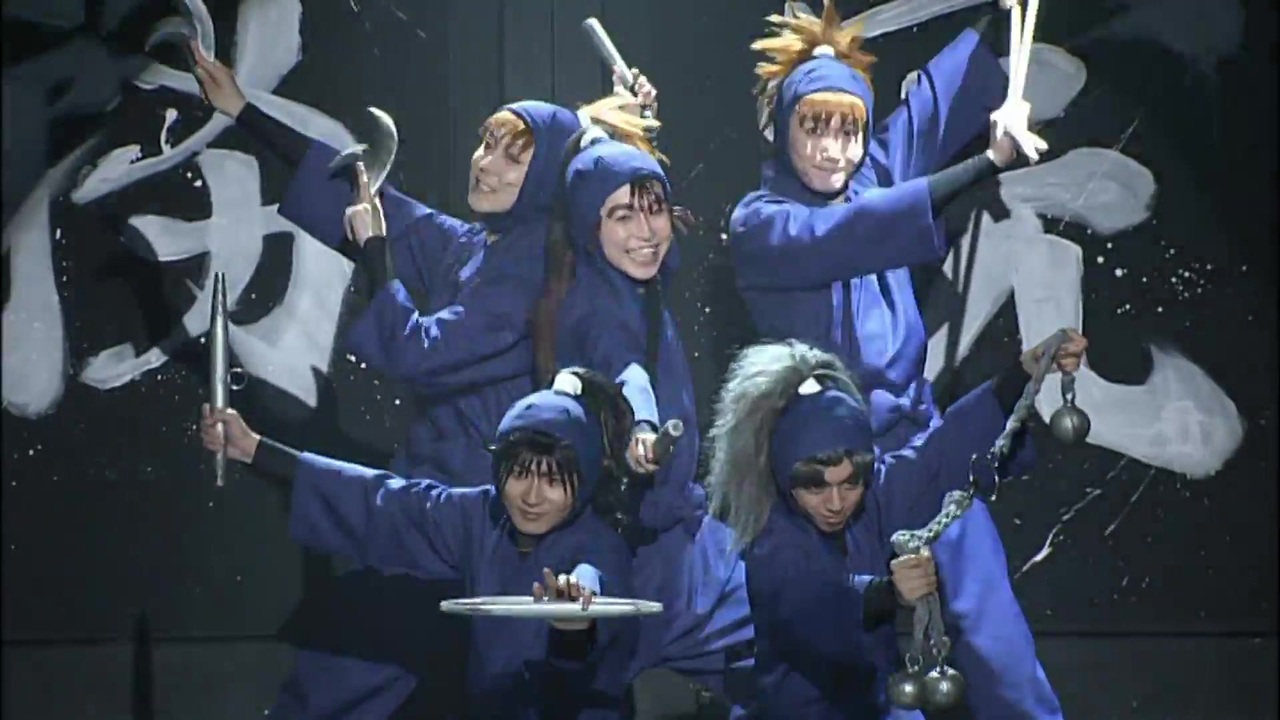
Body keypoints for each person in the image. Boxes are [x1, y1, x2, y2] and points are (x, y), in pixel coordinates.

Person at [192, 45, 661, 716]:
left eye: (513, 157)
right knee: (352, 672)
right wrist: (243, 110)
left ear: (546, 180)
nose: (486, 163)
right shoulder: (473, 246)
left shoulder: (531, 267)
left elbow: (417, 350)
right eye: (487, 144)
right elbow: (358, 189)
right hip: (432, 512)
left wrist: (375, 254)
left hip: (490, 520)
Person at [200, 367, 644, 718]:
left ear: (584, 480)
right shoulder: (481, 516)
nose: (531, 496)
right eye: (520, 474)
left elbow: (593, 591)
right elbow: (382, 503)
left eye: (552, 481)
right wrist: (253, 449)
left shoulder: (599, 546)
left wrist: (575, 624)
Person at [705, 333, 1085, 719]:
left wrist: (1020, 374)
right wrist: (888, 594)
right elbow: (817, 603)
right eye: (816, 487)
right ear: (787, 477)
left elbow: (940, 455)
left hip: (876, 701)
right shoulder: (772, 539)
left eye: (849, 483)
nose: (835, 503)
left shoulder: (873, 496)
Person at [728, 0, 1043, 452]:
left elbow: (933, 105)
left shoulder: (870, 176)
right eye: (814, 129)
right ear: (782, 127)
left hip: (914, 438)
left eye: (848, 132)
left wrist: (1000, 13)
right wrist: (988, 162)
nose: (832, 151)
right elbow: (851, 232)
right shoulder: (759, 223)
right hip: (822, 456)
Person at [532, 133, 754, 712]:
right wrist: (641, 434)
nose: (646, 231)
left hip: (678, 540)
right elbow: (627, 374)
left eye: (654, 210)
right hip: (644, 553)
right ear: (590, 226)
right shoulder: (600, 309)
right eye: (623, 216)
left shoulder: (633, 283)